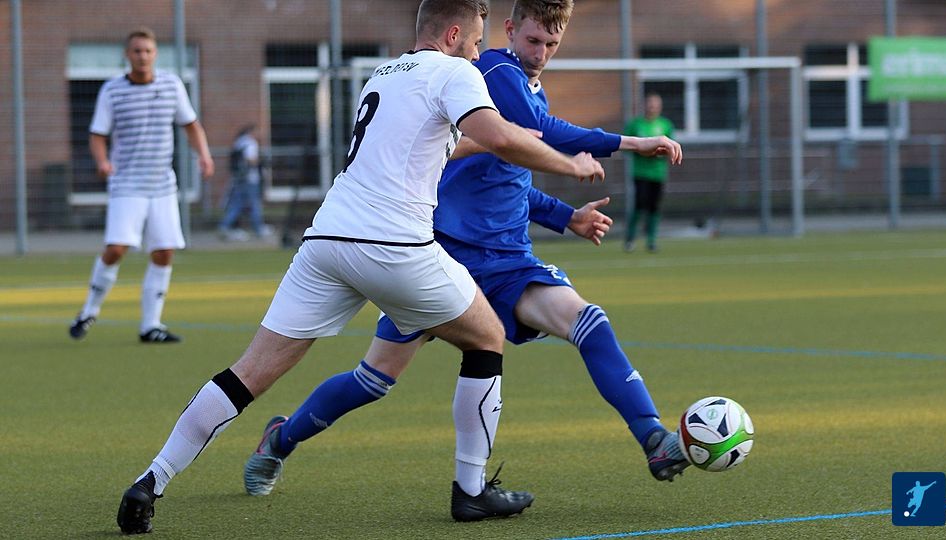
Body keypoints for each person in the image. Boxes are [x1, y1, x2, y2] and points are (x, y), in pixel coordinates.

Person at [115, 0, 605, 534]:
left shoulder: (385, 74)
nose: (478, 53)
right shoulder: (456, 72)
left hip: (326, 240)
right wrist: (569, 164)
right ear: (453, 34)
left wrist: (490, 147)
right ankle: (471, 490)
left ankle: (151, 480)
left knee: (248, 372)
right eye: (475, 41)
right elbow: (501, 136)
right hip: (394, 245)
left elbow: (430, 148)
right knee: (487, 337)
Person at [241, 0, 685, 523]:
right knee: (374, 379)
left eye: (551, 44)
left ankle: (653, 438)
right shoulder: (492, 71)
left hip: (509, 262)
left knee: (587, 321)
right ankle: (281, 438)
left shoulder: (527, 87)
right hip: (442, 257)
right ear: (509, 30)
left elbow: (511, 182)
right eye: (532, 40)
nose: (540, 53)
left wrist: (568, 218)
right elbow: (545, 131)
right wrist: (631, 142)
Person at [68, 27, 214, 344]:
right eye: (137, 51)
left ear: (155, 54)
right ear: (127, 55)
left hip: (162, 184)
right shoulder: (112, 91)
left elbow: (191, 125)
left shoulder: (171, 85)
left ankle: (151, 325)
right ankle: (88, 311)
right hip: (126, 184)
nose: (142, 56)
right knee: (116, 248)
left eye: (148, 51)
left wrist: (203, 155)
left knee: (163, 252)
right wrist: (102, 161)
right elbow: (97, 134)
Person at [624, 92, 674, 253]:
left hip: (658, 173)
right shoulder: (636, 124)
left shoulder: (665, 125)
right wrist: (642, 151)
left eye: (655, 104)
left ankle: (651, 240)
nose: (652, 107)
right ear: (644, 105)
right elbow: (625, 145)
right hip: (641, 172)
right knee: (639, 204)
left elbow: (671, 147)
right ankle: (630, 239)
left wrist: (660, 153)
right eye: (650, 103)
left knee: (654, 206)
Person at [219, 124, 271, 241]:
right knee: (254, 204)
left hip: (239, 178)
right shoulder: (250, 143)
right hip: (250, 179)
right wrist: (261, 162)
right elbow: (251, 159)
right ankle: (258, 228)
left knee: (236, 204)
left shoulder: (239, 142)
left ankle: (224, 226)